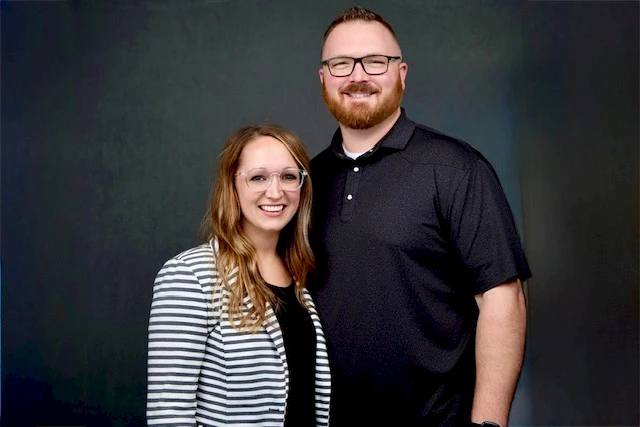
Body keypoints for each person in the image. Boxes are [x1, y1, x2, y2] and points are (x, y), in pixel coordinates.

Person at [310, 6, 531, 427]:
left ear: (402, 73)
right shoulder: (304, 181)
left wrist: (487, 425)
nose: (358, 76)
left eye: (375, 61)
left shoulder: (455, 168)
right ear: (323, 78)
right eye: (341, 64)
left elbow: (503, 299)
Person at [147, 124, 331, 426]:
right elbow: (169, 413)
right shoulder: (190, 276)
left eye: (288, 176)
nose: (276, 192)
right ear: (232, 186)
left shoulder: (302, 277)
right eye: (258, 177)